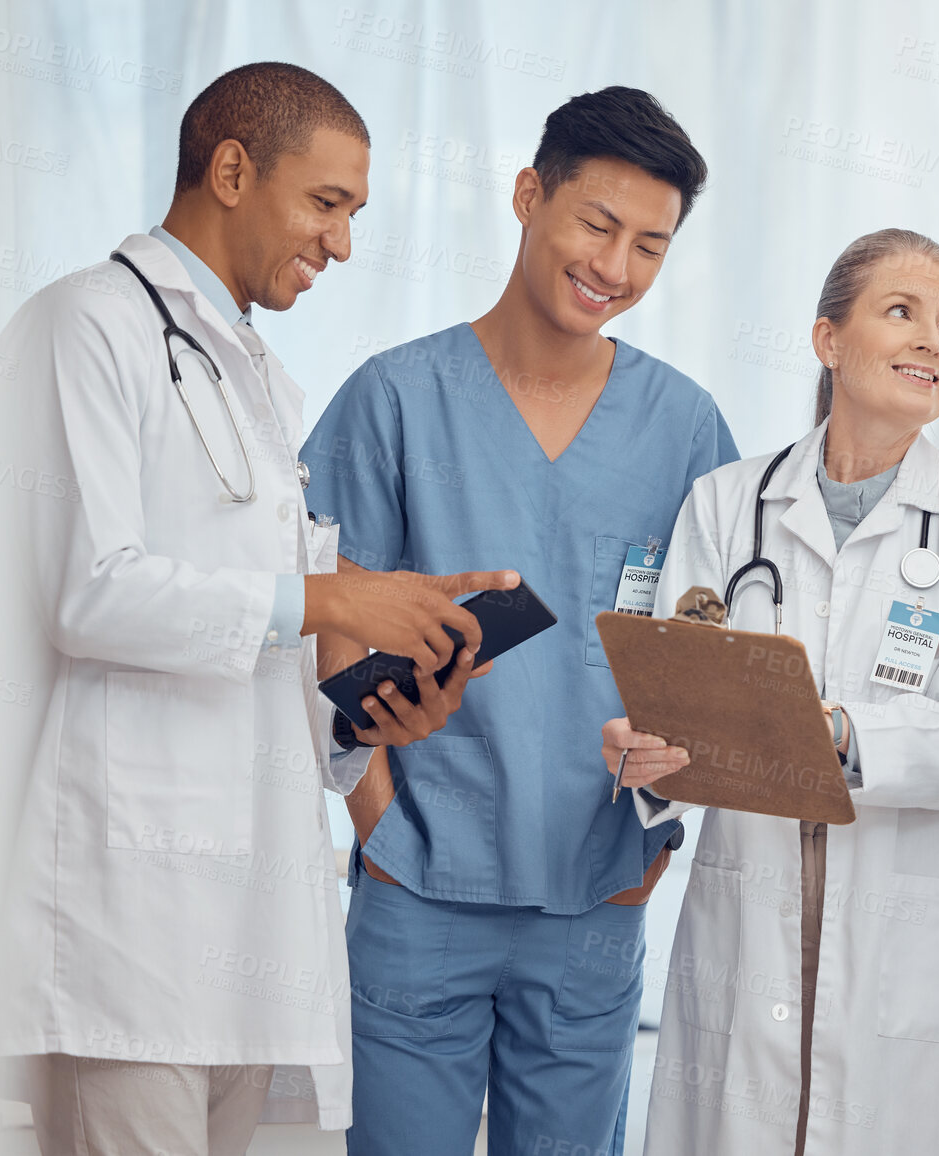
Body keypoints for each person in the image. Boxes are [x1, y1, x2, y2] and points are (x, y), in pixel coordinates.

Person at [0, 63, 514, 1155]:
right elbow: (86, 591)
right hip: (124, 912)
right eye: (328, 204)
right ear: (231, 170)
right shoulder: (84, 325)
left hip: (252, 915)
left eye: (356, 215)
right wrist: (332, 594)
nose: (343, 245)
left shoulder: (260, 383)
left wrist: (360, 716)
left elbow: (260, 645)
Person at [301, 87, 737, 1156]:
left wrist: (650, 857)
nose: (616, 268)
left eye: (650, 245)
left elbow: (711, 656)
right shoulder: (396, 398)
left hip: (598, 887)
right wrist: (379, 824)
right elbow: (327, 617)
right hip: (420, 881)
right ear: (527, 194)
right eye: (597, 224)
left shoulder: (684, 427)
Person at [605, 228, 939, 1155]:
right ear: (827, 340)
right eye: (903, 312)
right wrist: (645, 761)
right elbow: (675, 702)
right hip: (751, 908)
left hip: (912, 938)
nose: (934, 339)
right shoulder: (727, 504)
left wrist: (832, 733)